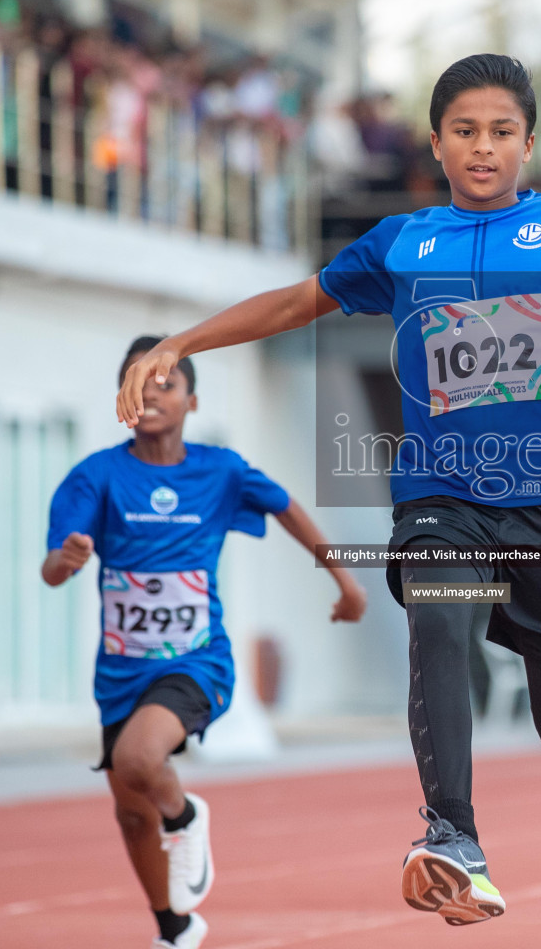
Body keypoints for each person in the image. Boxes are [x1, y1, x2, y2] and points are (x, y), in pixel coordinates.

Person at [116, 54, 541, 926]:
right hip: (441, 498)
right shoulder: (401, 243)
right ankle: (452, 837)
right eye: (464, 132)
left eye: (501, 132)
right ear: (436, 144)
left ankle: (503, 615)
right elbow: (292, 305)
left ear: (528, 144)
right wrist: (179, 345)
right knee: (437, 607)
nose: (483, 148)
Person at [45, 336, 366, 949]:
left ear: (192, 399)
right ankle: (175, 927)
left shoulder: (219, 470)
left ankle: (187, 816)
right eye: (137, 382)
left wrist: (346, 583)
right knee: (130, 808)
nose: (151, 394)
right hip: (120, 670)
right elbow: (53, 568)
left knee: (142, 762)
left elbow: (288, 509)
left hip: (197, 661)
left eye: (165, 382)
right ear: (122, 398)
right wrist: (67, 559)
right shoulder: (97, 476)